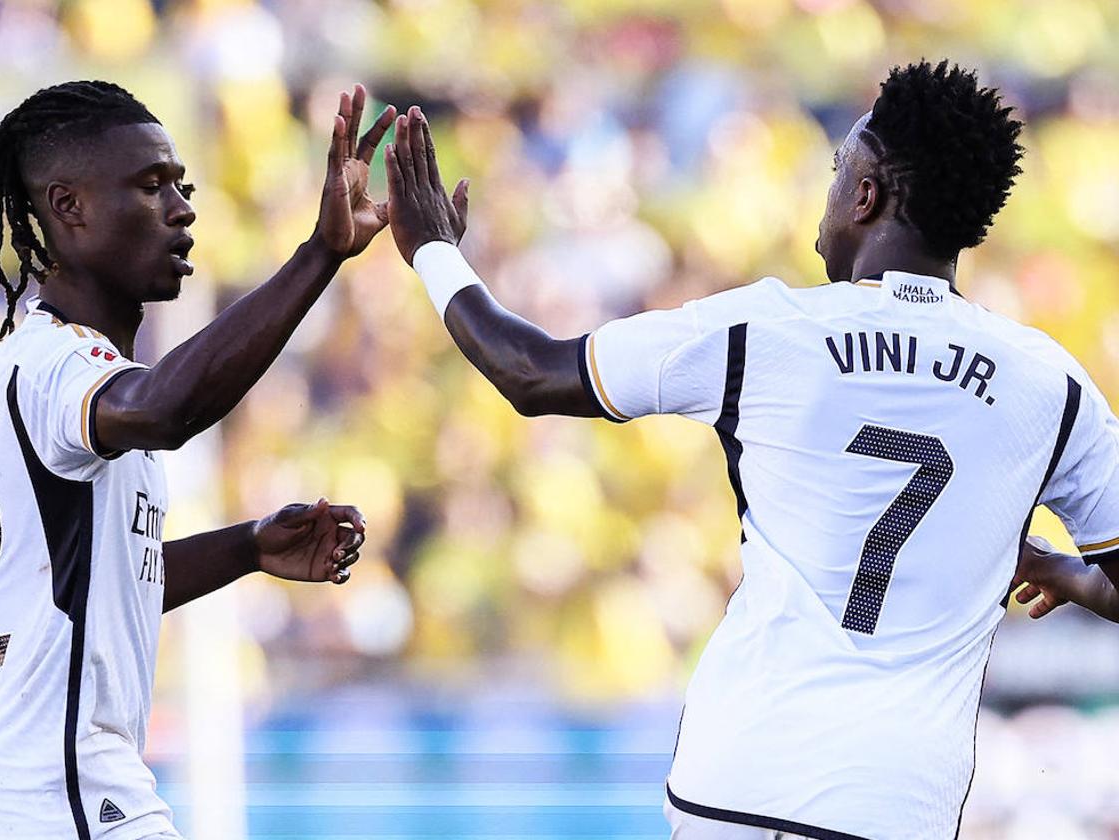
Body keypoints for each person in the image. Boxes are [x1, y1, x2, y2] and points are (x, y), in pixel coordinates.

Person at [382, 61, 1119, 839]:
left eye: (840, 168)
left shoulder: (768, 332)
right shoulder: (1050, 385)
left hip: (739, 784)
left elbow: (530, 374)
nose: (830, 191)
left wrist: (434, 248)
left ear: (867, 194)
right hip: (894, 807)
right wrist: (1071, 575)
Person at [0, 79, 391, 840]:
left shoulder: (74, 375)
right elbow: (166, 411)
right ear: (68, 206)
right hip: (48, 793)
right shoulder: (52, 364)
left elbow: (90, 596)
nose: (182, 207)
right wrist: (320, 255)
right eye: (150, 185)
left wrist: (243, 547)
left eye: (182, 185)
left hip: (6, 790)